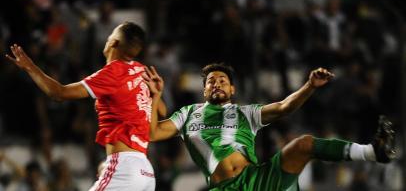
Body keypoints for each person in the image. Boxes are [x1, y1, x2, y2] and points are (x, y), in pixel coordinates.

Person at [143, 63, 395, 191]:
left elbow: (285, 106)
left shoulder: (246, 113)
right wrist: (155, 96)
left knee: (304, 144)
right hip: (224, 187)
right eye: (211, 81)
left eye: (222, 80)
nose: (216, 83)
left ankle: (373, 151)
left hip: (257, 180)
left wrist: (309, 86)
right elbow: (153, 132)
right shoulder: (188, 114)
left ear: (233, 89)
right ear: (204, 89)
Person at [6, 21, 166, 191]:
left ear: (114, 42)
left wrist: (30, 67)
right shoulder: (141, 70)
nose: (108, 38)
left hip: (124, 167)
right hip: (146, 170)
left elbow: (59, 93)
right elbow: (162, 111)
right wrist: (157, 96)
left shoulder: (112, 73)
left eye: (111, 34)